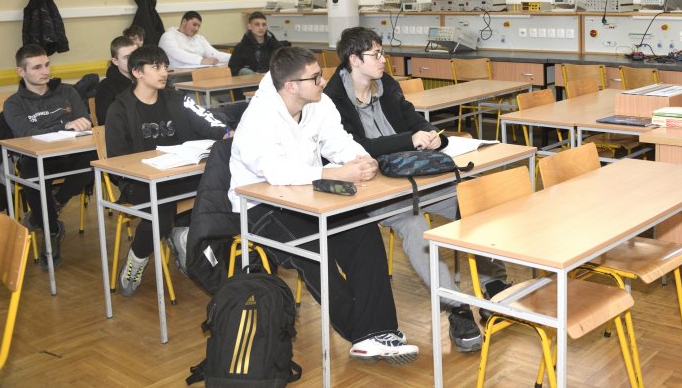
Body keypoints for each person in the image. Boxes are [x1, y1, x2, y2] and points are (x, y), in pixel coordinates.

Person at [324, 27, 510, 352]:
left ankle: (493, 283)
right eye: (376, 54)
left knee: (473, 199)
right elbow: (358, 147)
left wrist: (430, 133)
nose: (383, 59)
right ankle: (456, 307)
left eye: (382, 52)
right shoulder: (332, 100)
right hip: (375, 187)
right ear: (354, 59)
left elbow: (412, 118)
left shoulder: (387, 85)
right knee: (414, 226)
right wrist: (407, 140)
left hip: (415, 176)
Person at [229, 47, 419, 365]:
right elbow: (275, 172)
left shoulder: (319, 102)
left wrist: (361, 160)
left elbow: (338, 141)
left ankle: (379, 330)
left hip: (311, 195)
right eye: (315, 77)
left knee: (363, 231)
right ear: (291, 86)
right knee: (316, 255)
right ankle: (362, 335)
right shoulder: (259, 116)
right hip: (260, 206)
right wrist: (334, 173)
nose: (323, 81)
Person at [105, 45, 228, 295]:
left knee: (221, 194)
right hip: (140, 183)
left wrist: (227, 133)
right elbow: (118, 162)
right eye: (156, 67)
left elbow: (210, 123)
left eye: (165, 67)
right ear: (137, 72)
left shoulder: (177, 98)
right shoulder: (120, 109)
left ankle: (185, 236)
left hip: (180, 176)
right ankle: (138, 258)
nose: (163, 72)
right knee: (161, 213)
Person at [2, 44, 94, 270]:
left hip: (72, 152)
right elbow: (26, 133)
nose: (45, 71)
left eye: (46, 65)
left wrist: (71, 126)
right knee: (31, 174)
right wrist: (64, 125)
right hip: (37, 158)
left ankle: (52, 205)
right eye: (36, 67)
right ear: (21, 72)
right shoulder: (14, 103)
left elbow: (85, 121)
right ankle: (52, 230)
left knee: (95, 158)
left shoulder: (68, 92)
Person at [158, 11, 230, 69]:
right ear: (184, 21)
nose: (196, 29)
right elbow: (178, 54)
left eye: (199, 26)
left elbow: (214, 54)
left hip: (198, 72)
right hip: (177, 76)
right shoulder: (168, 36)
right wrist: (201, 60)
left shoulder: (199, 38)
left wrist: (233, 58)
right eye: (194, 24)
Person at [95, 36, 137, 125]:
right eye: (127, 57)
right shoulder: (106, 87)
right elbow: (105, 119)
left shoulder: (147, 79)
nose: (132, 60)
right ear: (115, 61)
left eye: (135, 55)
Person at [228, 11, 285, 75]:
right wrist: (247, 73)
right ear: (249, 26)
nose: (261, 28)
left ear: (266, 27)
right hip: (250, 79)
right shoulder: (241, 48)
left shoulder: (276, 46)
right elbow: (233, 69)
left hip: (272, 78)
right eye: (257, 24)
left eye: (264, 25)